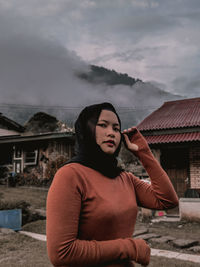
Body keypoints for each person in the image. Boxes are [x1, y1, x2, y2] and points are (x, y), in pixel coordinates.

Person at [46, 102, 178, 267]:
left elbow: (167, 200)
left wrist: (144, 152)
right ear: (86, 130)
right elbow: (61, 253)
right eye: (103, 125)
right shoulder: (70, 176)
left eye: (116, 128)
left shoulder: (125, 178)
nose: (111, 133)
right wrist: (129, 248)